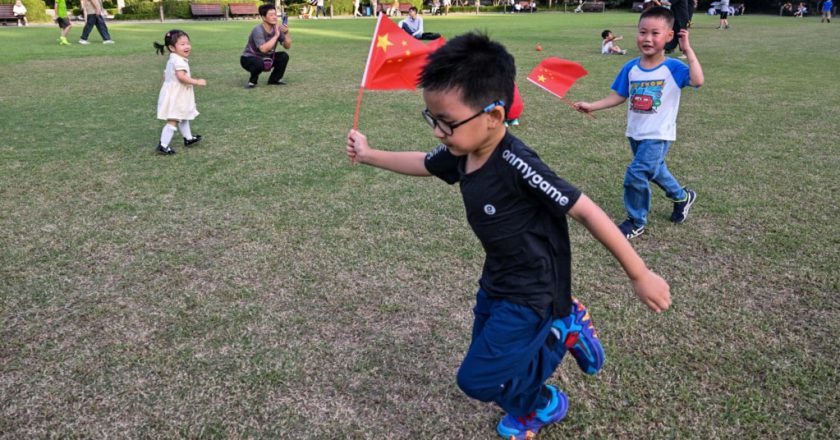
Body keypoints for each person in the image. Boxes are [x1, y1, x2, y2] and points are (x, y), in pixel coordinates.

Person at [346, 32, 672, 440]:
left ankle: (557, 343)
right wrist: (370, 154)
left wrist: (639, 273)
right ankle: (540, 389)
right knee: (496, 364)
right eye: (432, 119)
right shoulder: (462, 151)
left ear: (495, 117)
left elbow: (586, 210)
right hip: (498, 280)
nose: (438, 133)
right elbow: (426, 163)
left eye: (447, 122)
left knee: (478, 381)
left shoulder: (519, 164)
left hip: (535, 291)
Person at [574, 6, 703, 239]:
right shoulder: (631, 67)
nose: (647, 38)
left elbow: (697, 80)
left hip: (658, 134)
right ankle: (682, 197)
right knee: (656, 171)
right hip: (635, 133)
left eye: (655, 33)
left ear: (669, 36)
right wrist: (592, 105)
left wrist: (688, 51)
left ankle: (636, 221)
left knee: (636, 174)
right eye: (643, 32)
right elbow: (619, 95)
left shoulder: (673, 67)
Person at [153, 30, 206, 155]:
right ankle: (163, 145)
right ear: (172, 47)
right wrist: (197, 81)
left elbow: (165, 75)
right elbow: (181, 76)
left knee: (183, 115)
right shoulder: (178, 61)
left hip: (177, 92)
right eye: (182, 44)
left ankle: (188, 138)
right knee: (174, 119)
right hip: (177, 95)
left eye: (187, 43)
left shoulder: (174, 58)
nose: (187, 46)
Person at [240, 3, 292, 89]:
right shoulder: (258, 30)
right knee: (258, 62)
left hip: (266, 58)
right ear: (264, 17)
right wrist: (276, 36)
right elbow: (263, 49)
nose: (275, 17)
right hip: (248, 58)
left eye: (275, 14)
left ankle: (274, 80)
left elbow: (287, 46)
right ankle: (252, 82)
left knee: (284, 56)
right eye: (271, 15)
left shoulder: (277, 29)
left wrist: (286, 33)